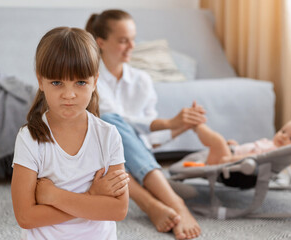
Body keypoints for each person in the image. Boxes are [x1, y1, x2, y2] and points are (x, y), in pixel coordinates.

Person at [85, 9, 205, 240]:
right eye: (123, 41)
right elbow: (117, 121)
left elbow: (149, 140)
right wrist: (168, 122)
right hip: (103, 151)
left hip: (136, 156)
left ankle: (157, 203)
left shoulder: (142, 80)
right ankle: (162, 203)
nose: (132, 45)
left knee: (119, 139)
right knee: (109, 125)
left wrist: (180, 126)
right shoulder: (89, 78)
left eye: (133, 39)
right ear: (101, 42)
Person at [11, 27, 130, 240]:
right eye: (57, 83)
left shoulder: (108, 135)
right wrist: (92, 197)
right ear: (40, 81)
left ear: (95, 81)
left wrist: (54, 196)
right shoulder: (29, 137)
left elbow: (118, 210)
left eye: (80, 82)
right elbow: (25, 216)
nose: (69, 94)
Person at [194, 118, 291, 165]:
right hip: (231, 152)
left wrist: (229, 159)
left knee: (217, 140)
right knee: (220, 142)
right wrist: (237, 146)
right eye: (283, 131)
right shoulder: (270, 144)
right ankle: (196, 126)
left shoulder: (272, 153)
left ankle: (196, 125)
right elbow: (249, 149)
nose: (284, 136)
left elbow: (251, 156)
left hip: (226, 162)